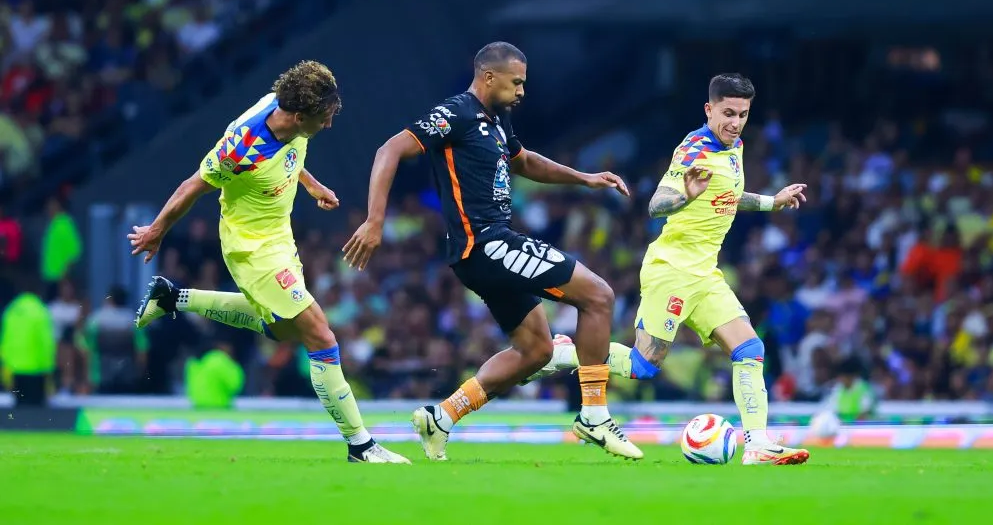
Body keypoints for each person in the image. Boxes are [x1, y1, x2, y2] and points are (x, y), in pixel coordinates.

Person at [343, 41, 642, 461]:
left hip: (485, 251)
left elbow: (524, 162)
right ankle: (593, 415)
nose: (522, 91)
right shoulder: (457, 112)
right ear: (489, 77)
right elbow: (389, 149)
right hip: (486, 243)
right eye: (516, 82)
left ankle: (440, 418)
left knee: (536, 351)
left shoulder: (496, 122)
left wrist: (585, 178)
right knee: (599, 296)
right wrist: (376, 220)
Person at [129, 60, 408, 464]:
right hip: (252, 248)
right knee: (320, 336)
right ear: (298, 115)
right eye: (324, 119)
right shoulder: (241, 146)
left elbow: (290, 154)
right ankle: (360, 445)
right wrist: (157, 230)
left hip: (279, 235)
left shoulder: (290, 115)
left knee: (280, 330)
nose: (328, 125)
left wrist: (311, 185)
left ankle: (172, 297)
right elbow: (193, 186)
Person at [530, 73, 812, 465]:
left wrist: (771, 202)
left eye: (742, 114)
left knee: (750, 348)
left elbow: (727, 195)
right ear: (709, 109)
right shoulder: (694, 147)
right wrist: (684, 195)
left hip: (705, 273)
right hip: (673, 269)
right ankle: (566, 351)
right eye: (727, 113)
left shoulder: (735, 146)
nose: (734, 122)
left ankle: (758, 445)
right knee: (643, 365)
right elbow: (656, 204)